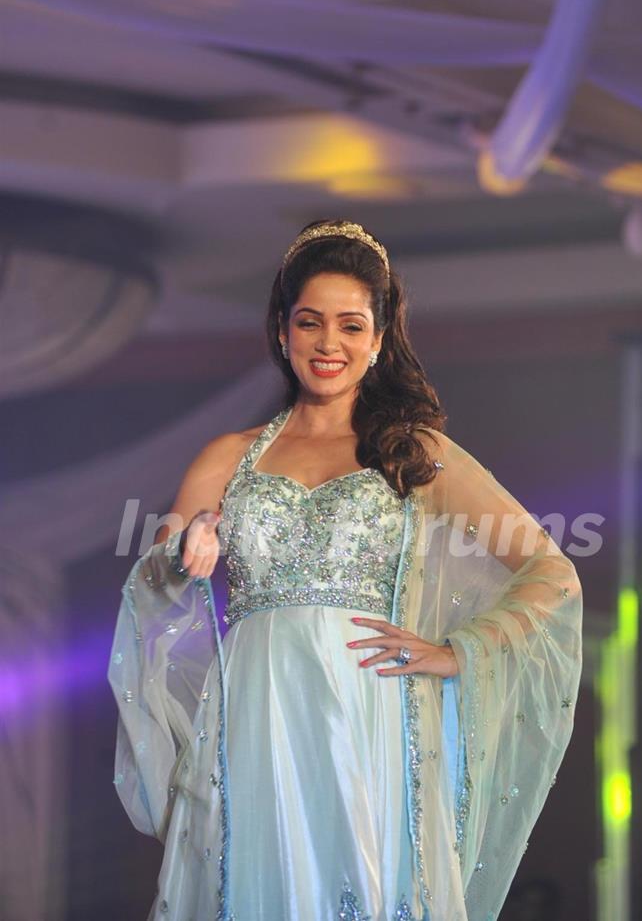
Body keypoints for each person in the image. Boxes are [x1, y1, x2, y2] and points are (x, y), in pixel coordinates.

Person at [108, 219, 583, 921]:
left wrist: (460, 653)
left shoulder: (413, 454)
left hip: (368, 717)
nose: (330, 343)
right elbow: (161, 572)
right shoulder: (228, 457)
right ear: (282, 332)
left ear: (379, 340)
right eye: (311, 323)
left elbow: (551, 572)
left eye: (351, 326)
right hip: (255, 713)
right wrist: (186, 547)